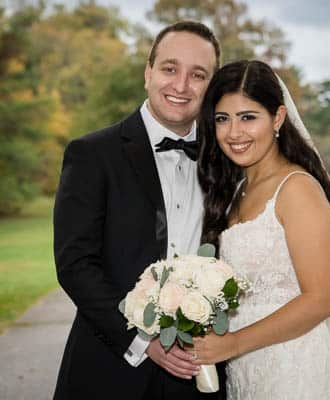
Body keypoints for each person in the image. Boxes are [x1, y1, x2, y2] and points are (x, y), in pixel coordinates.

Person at [53, 21, 222, 400]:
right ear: (148, 72)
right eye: (169, 68)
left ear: (211, 88)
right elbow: (75, 264)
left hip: (201, 377)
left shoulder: (224, 160)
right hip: (107, 371)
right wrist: (142, 341)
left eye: (198, 75)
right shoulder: (92, 154)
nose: (181, 86)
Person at [194, 60, 330, 399]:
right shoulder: (237, 190)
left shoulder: (296, 189)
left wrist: (233, 343)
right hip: (247, 370)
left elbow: (322, 300)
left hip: (296, 370)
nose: (234, 132)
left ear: (277, 118)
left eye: (248, 117)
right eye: (223, 119)